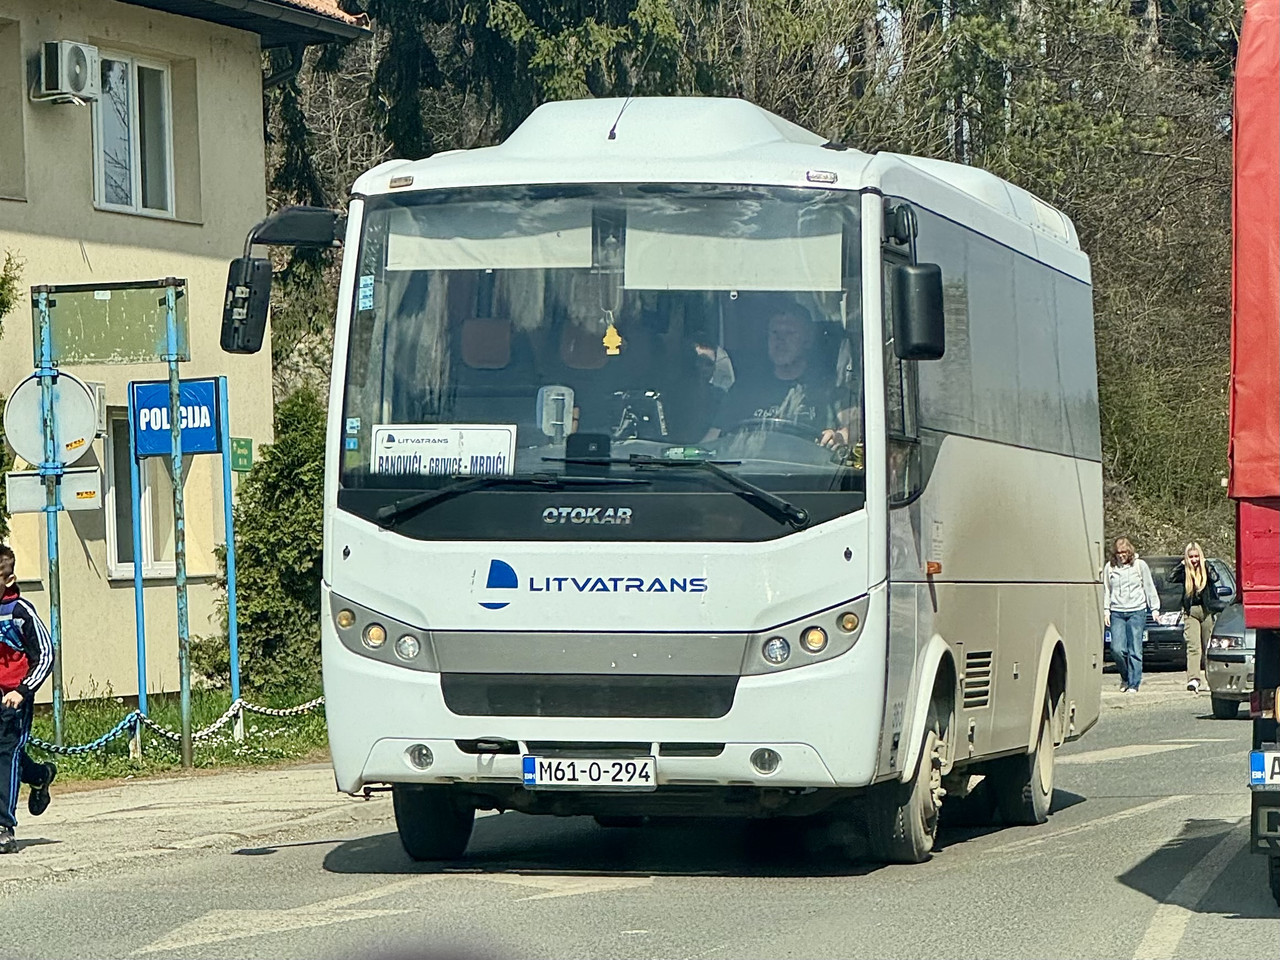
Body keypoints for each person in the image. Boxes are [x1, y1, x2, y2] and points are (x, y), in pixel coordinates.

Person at [703, 300, 855, 448]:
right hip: (748, 464)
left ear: (807, 340)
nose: (780, 340)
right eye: (775, 332)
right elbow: (714, 436)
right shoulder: (746, 388)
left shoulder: (826, 388)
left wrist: (840, 436)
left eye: (790, 333)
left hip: (806, 465)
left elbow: (857, 424)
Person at [0, 544, 56, 854]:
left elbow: (45, 655)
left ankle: (4, 826)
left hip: (13, 698)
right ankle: (39, 775)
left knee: (6, 753)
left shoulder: (20, 612)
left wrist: (22, 691)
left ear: (8, 579)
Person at [1103, 537, 1160, 694]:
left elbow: (1149, 587)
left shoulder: (1140, 565)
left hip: (1137, 611)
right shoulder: (1110, 567)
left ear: (1129, 552)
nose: (1121, 555)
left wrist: (1154, 608)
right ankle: (1125, 677)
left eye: (1124, 552)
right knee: (1117, 649)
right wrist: (1106, 610)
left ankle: (1134, 683)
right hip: (1117, 612)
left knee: (1135, 649)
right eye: (1118, 553)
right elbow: (1107, 590)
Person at [1167, 541, 1223, 694]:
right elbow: (1171, 578)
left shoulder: (1206, 569)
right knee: (1193, 646)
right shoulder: (1185, 572)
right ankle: (1193, 679)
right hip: (1191, 612)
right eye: (1191, 557)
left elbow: (1215, 578)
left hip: (1206, 612)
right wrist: (1182, 564)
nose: (1194, 560)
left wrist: (1206, 564)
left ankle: (1212, 679)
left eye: (1196, 556)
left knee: (1208, 647)